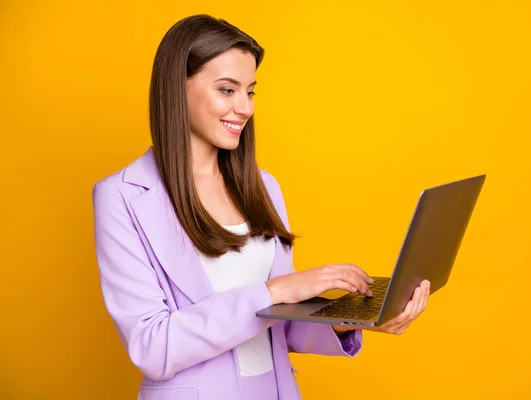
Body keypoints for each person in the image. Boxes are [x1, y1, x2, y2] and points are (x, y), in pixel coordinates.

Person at [92, 14, 430, 400]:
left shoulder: (262, 186)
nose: (245, 108)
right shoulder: (122, 196)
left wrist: (354, 318)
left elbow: (278, 325)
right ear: (176, 89)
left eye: (250, 92)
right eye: (227, 90)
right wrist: (273, 290)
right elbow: (153, 347)